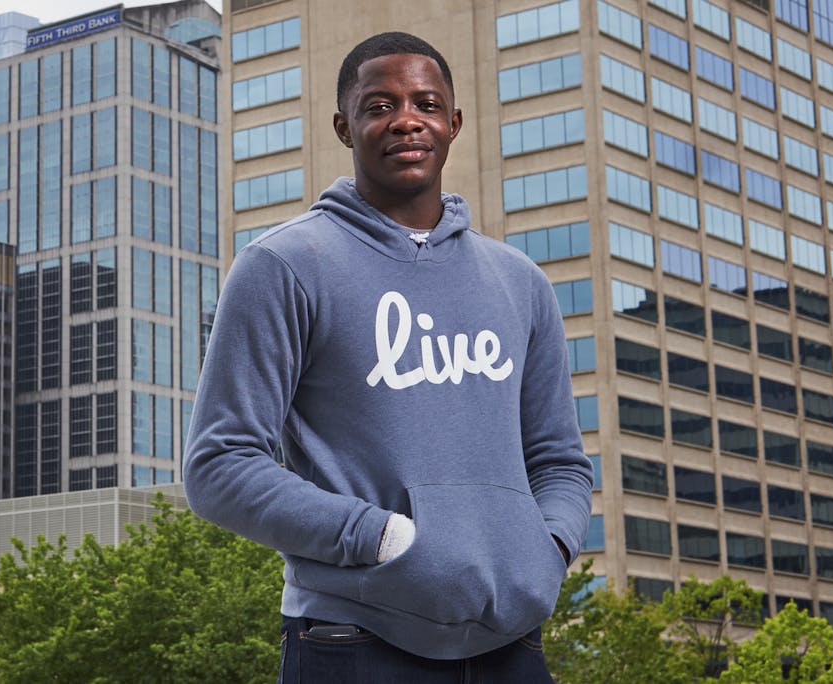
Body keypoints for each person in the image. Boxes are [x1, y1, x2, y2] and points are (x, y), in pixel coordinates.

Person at [182, 31, 593, 682]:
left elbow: (560, 461)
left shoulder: (520, 282)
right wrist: (381, 539)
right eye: (380, 105)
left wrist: (545, 552)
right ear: (345, 127)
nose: (407, 119)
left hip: (513, 647)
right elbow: (219, 466)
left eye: (426, 104)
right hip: (352, 642)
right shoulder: (285, 267)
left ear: (453, 123)